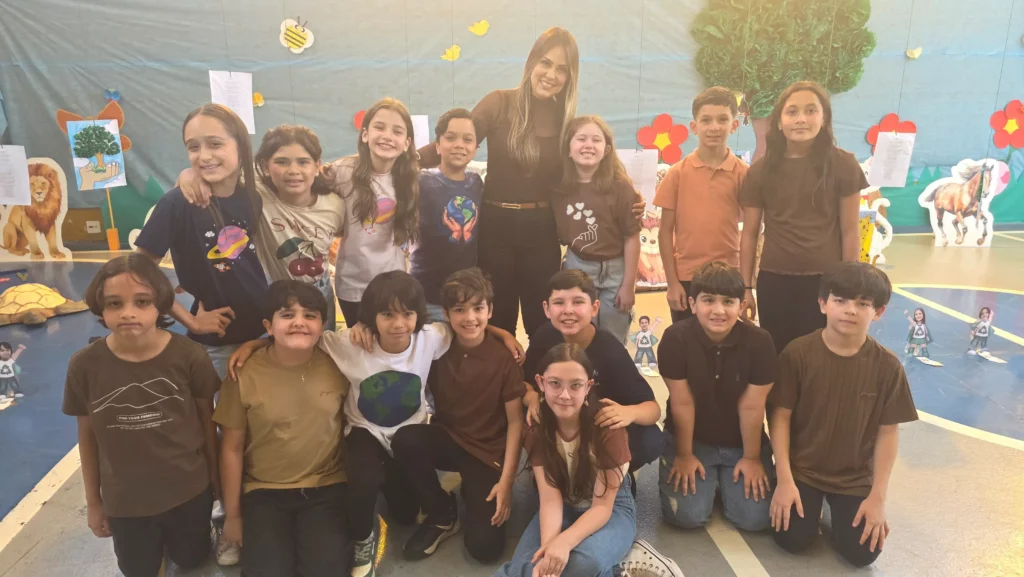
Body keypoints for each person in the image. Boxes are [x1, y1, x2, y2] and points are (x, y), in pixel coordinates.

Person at [227, 271, 520, 577]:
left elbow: (467, 324)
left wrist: (503, 334)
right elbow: (301, 336)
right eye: (387, 315)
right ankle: (363, 537)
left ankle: (436, 504)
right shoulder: (348, 342)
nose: (398, 324)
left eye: (407, 314)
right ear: (371, 317)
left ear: (418, 315)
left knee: (406, 515)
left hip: (408, 437)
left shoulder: (431, 338)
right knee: (362, 478)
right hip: (365, 431)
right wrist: (255, 344)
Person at [63, 255, 220, 577]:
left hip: (189, 491)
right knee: (139, 570)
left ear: (160, 304)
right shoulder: (84, 366)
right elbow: (87, 438)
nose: (128, 312)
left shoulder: (191, 356)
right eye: (115, 303)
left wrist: (216, 482)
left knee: (192, 560)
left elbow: (208, 422)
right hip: (126, 502)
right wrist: (94, 502)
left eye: (142, 301)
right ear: (100, 308)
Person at [417, 27, 579, 338]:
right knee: (497, 318)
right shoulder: (499, 102)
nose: (551, 74)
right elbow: (458, 139)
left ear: (570, 77)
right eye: (546, 63)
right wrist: (404, 161)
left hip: (541, 230)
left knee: (543, 321)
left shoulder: (565, 119)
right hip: (495, 227)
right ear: (532, 62)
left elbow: (591, 161)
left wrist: (625, 193)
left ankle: (541, 370)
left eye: (562, 69)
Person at [769, 262, 918, 567]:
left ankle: (837, 511)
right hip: (803, 471)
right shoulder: (797, 353)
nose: (850, 310)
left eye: (863, 304)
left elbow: (888, 432)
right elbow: (780, 417)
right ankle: (814, 506)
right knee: (792, 538)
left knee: (863, 553)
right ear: (823, 304)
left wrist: (877, 498)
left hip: (854, 478)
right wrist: (784, 480)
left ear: (878, 312)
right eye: (840, 300)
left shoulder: (888, 367)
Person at [214, 281, 351, 577]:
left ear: (322, 326)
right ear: (268, 326)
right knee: (267, 571)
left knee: (326, 571)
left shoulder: (338, 364)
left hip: (325, 485)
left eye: (310, 316)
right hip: (263, 489)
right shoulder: (243, 374)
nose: (299, 322)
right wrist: (233, 517)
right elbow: (231, 449)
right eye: (287, 315)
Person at [391, 268, 524, 562]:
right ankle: (442, 511)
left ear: (490, 310)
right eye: (459, 310)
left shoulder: (503, 357)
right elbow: (395, 334)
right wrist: (363, 328)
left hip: (486, 452)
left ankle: (475, 492)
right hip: (448, 437)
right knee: (405, 440)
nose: (470, 317)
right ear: (447, 314)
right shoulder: (436, 345)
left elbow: (516, 422)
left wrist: (507, 482)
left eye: (478, 308)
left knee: (485, 550)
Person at [135, 103, 269, 378]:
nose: (204, 156)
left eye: (215, 144)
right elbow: (138, 270)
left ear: (241, 146)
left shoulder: (252, 198)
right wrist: (191, 321)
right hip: (217, 339)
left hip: (263, 331)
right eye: (193, 147)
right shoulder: (177, 203)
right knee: (216, 404)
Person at [739, 81, 868, 353]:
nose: (801, 119)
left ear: (824, 118)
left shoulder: (843, 165)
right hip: (775, 280)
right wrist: (746, 287)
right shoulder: (760, 171)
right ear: (779, 121)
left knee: (823, 355)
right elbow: (749, 233)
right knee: (780, 355)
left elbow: (849, 231)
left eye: (811, 110)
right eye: (792, 111)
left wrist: (849, 286)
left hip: (827, 282)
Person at [177, 125, 345, 330]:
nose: (293, 171)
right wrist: (188, 174)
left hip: (319, 291)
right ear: (266, 166)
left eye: (303, 162)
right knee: (278, 344)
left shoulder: (335, 205)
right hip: (273, 291)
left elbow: (344, 234)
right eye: (282, 162)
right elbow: (214, 175)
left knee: (321, 344)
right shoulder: (255, 192)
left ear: (317, 166)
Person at [495, 343, 636, 577]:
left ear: (588, 386)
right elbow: (550, 499)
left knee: (584, 563)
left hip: (610, 509)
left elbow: (602, 507)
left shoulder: (607, 426)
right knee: (539, 565)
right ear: (540, 383)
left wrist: (565, 542)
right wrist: (550, 551)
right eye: (555, 383)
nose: (564, 395)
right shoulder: (537, 427)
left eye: (575, 385)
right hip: (563, 504)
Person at [658, 261, 777, 532]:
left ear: (741, 306)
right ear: (692, 304)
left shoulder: (760, 342)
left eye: (728, 302)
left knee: (755, 519)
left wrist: (752, 457)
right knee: (687, 516)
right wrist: (684, 454)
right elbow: (682, 402)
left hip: (740, 442)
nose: (718, 311)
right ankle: (712, 479)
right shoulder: (675, 339)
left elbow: (752, 406)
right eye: (708, 300)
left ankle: (722, 480)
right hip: (693, 439)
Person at [522, 270, 662, 487]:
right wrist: (531, 397)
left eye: (578, 302)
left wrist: (629, 412)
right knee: (522, 414)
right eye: (559, 302)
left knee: (650, 439)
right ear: (547, 309)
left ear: (594, 308)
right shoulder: (544, 337)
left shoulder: (611, 351)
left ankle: (617, 470)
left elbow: (653, 409)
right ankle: (555, 468)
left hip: (599, 428)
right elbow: (523, 382)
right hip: (562, 422)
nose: (568, 310)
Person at [323, 98, 420, 328]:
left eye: (397, 131)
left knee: (387, 341)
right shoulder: (342, 171)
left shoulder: (409, 179)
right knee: (359, 342)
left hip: (392, 283)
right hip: (352, 285)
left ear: (406, 143)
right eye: (379, 127)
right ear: (365, 134)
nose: (387, 136)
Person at [655, 87, 746, 323]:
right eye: (706, 120)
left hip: (729, 275)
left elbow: (753, 230)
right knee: (686, 340)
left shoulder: (744, 174)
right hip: (687, 277)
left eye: (722, 119)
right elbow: (665, 231)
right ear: (694, 127)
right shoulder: (677, 174)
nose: (714, 127)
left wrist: (747, 284)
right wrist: (672, 283)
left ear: (734, 125)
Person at [554, 115, 641, 344]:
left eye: (596, 140)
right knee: (579, 338)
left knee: (613, 340)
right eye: (581, 138)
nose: (588, 145)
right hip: (578, 267)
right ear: (568, 148)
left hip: (616, 272)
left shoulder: (621, 188)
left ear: (607, 149)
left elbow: (632, 237)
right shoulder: (557, 189)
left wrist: (629, 285)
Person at [409, 109, 484, 322]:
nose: (459, 144)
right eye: (451, 138)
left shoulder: (476, 183)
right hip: (426, 295)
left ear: (476, 148)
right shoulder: (421, 181)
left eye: (467, 139)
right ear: (437, 146)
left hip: (464, 297)